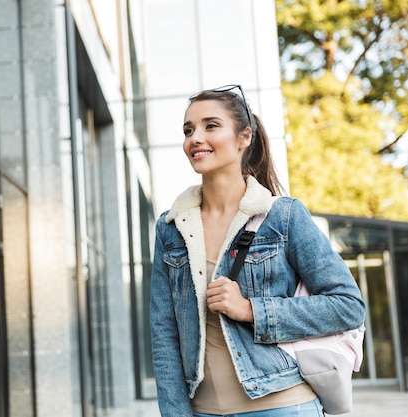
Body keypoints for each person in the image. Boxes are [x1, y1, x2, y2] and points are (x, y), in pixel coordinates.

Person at [149, 84, 367, 417]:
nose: (195, 138)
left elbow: (348, 306)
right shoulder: (171, 227)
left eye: (211, 126)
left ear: (244, 137)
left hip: (281, 405)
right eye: (188, 129)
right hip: (202, 410)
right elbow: (164, 333)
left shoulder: (283, 216)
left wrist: (252, 310)